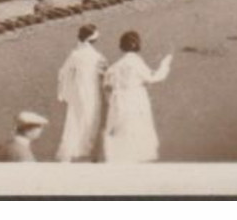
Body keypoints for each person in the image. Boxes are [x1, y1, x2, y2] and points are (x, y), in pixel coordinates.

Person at [102, 31, 173, 163]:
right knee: (136, 128)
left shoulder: (116, 65)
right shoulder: (135, 62)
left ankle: (120, 159)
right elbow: (153, 78)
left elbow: (107, 84)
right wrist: (165, 65)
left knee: (120, 129)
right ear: (136, 44)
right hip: (134, 98)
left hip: (118, 99)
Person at [55, 25, 105, 162]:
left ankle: (77, 148)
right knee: (91, 117)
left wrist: (65, 92)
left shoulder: (75, 55)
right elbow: (103, 72)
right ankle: (87, 148)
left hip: (78, 91)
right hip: (91, 90)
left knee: (76, 118)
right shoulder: (97, 56)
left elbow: (63, 73)